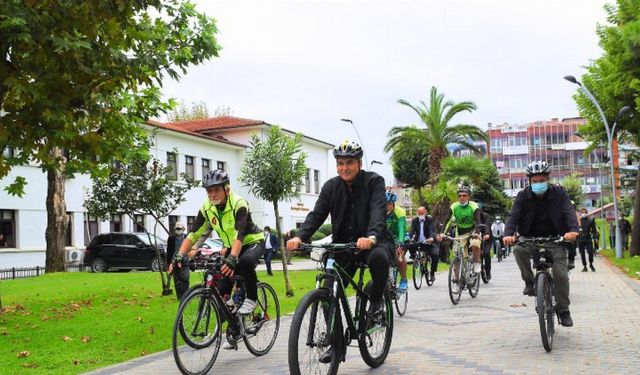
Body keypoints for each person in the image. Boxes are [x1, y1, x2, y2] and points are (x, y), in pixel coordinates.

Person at [287, 140, 394, 318]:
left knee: (379, 258)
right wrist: (300, 236)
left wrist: (372, 236)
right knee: (328, 292)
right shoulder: (331, 187)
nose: (345, 168)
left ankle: (376, 301)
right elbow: (317, 214)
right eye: (340, 163)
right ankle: (335, 343)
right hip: (344, 247)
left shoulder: (374, 182)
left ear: (359, 163)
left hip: (373, 243)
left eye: (350, 162)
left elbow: (378, 211)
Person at [170, 169, 265, 347]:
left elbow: (240, 233)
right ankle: (236, 325)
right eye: (209, 191)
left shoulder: (239, 204)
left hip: (252, 242)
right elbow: (193, 233)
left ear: (226, 189)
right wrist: (180, 254)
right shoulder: (207, 208)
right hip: (231, 247)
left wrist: (232, 258)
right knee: (221, 286)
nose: (213, 194)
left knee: (244, 263)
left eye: (216, 190)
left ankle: (251, 298)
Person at [503, 160, 579, 327]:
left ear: (548, 179)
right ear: (529, 181)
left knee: (561, 276)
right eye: (535, 181)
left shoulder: (559, 193)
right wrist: (508, 234)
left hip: (556, 239)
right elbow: (513, 216)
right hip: (529, 239)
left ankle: (564, 310)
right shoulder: (523, 196)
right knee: (517, 250)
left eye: (542, 180)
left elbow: (568, 211)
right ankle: (529, 282)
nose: (538, 184)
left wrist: (573, 230)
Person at [438, 182, 483, 275]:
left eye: (464, 195)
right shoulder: (454, 206)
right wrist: (442, 233)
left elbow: (478, 222)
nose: (462, 197)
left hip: (472, 232)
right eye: (459, 196)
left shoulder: (474, 206)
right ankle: (456, 278)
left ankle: (476, 263)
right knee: (457, 254)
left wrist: (477, 233)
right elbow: (447, 221)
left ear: (468, 197)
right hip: (460, 234)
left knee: (475, 244)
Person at [385, 189, 408, 292]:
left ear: (393, 203)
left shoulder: (399, 211)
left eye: (389, 203)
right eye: (384, 203)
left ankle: (403, 280)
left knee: (399, 255)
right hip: (386, 238)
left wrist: (400, 242)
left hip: (398, 237)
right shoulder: (379, 211)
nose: (386, 206)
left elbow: (401, 228)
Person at [407, 206, 437, 281]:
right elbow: (412, 231)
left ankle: (432, 273)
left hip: (428, 242)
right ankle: (415, 260)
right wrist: (410, 238)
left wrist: (431, 238)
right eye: (419, 213)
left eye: (422, 213)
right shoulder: (414, 220)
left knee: (435, 254)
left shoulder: (429, 219)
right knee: (410, 245)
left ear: (425, 212)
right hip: (419, 242)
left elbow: (431, 230)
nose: (420, 215)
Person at [166, 222, 189, 299]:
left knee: (185, 277)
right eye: (177, 229)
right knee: (177, 279)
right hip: (174, 261)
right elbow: (169, 251)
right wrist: (169, 263)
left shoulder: (187, 237)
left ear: (183, 229)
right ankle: (179, 296)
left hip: (185, 260)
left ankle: (186, 295)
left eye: (180, 229)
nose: (178, 230)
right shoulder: (171, 238)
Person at [578, 208, 598, 272]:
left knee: (590, 252)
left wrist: (595, 237)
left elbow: (594, 230)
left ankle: (591, 264)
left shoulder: (590, 220)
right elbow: (575, 229)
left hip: (588, 238)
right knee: (582, 253)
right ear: (581, 213)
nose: (583, 214)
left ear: (587, 213)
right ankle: (584, 266)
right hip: (580, 239)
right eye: (582, 212)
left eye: (585, 212)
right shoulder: (579, 221)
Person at [480, 211, 493, 280]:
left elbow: (487, 225)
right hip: (476, 237)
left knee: (486, 253)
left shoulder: (486, 216)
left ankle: (488, 271)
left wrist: (487, 233)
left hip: (486, 238)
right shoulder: (471, 217)